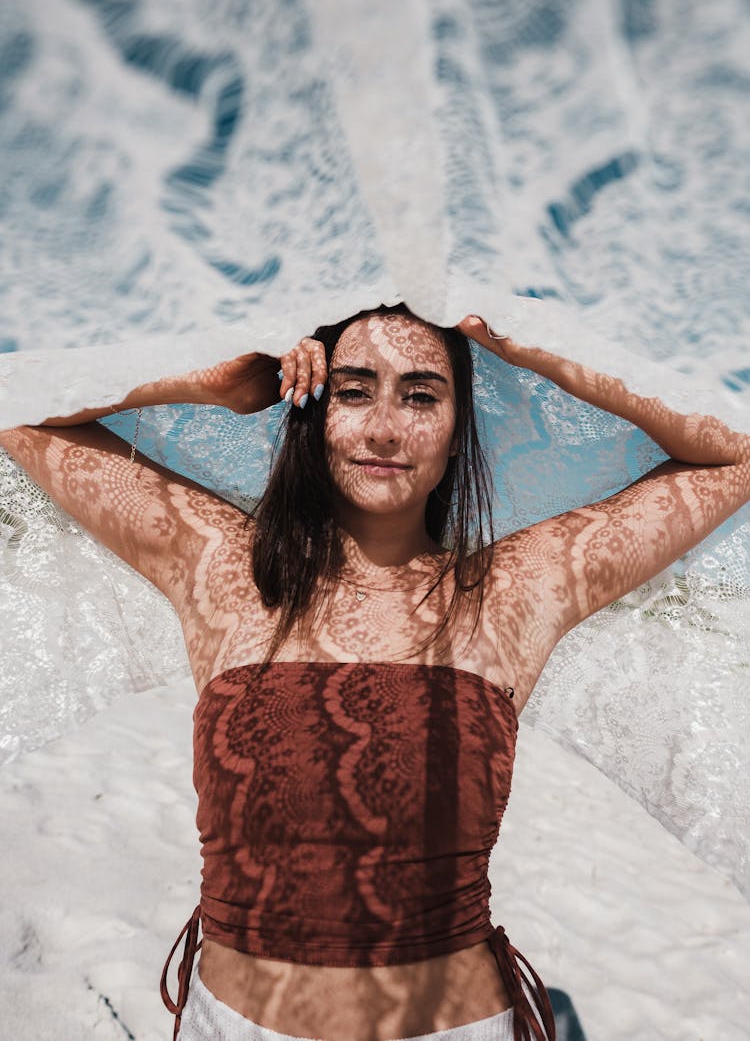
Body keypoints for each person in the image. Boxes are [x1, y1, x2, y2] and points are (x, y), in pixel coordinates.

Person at [1, 303, 748, 1041]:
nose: (385, 427)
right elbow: (18, 409)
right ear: (313, 414)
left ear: (459, 433)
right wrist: (209, 385)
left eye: (422, 395)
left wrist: (545, 358)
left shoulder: (511, 592)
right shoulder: (223, 565)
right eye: (354, 391)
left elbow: (738, 454)